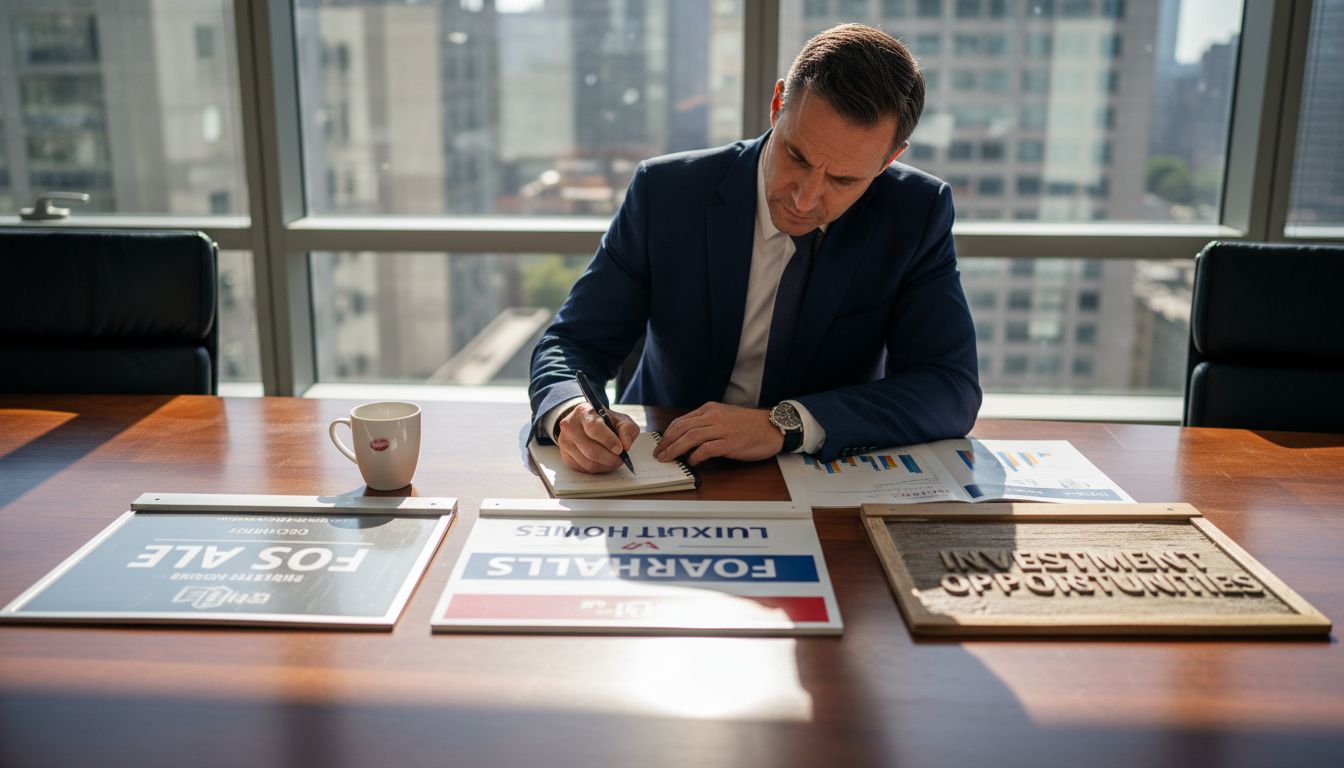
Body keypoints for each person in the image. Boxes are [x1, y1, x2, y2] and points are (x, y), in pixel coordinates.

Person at [529, 23, 981, 474]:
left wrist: (785, 423)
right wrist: (571, 411)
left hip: (819, 468)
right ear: (777, 104)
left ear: (889, 160)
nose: (805, 199)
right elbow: (573, 341)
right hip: (662, 459)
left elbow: (949, 388)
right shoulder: (666, 193)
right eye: (797, 157)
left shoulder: (916, 212)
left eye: (844, 180)